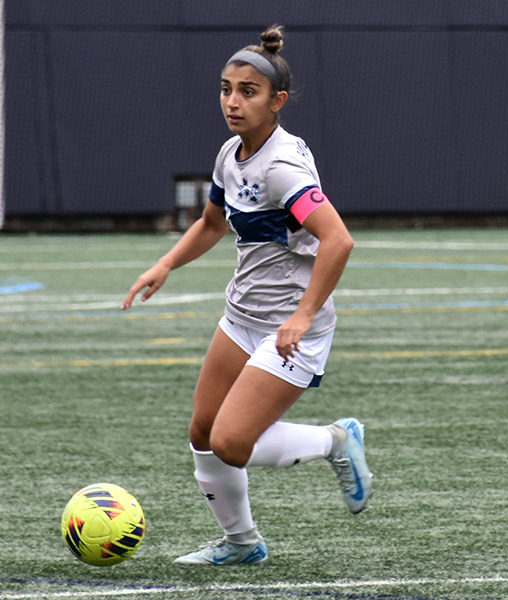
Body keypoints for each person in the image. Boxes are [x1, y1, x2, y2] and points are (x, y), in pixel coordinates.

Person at [122, 25, 372, 566]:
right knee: (203, 433)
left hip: (291, 329)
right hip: (242, 317)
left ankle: (335, 440)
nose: (232, 102)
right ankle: (242, 544)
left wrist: (304, 316)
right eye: (226, 88)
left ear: (277, 101)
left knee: (232, 442)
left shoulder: (282, 169)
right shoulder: (230, 153)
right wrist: (165, 263)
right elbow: (212, 223)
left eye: (248, 91)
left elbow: (339, 239)